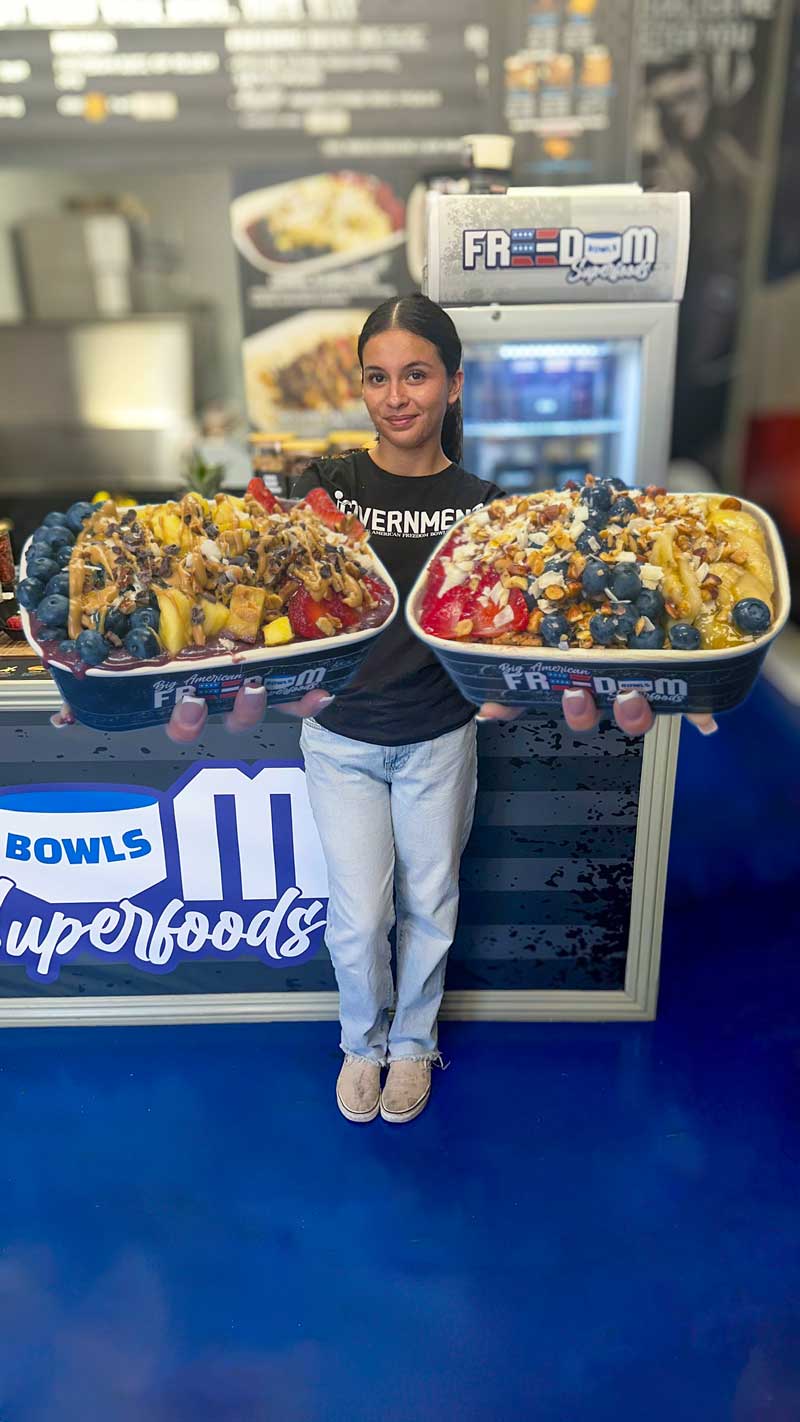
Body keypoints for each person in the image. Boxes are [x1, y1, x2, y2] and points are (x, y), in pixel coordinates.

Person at [55, 294, 716, 1123]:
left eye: (416, 375)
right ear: (361, 388)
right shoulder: (324, 488)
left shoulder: (485, 506)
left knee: (431, 906)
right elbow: (257, 605)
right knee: (358, 915)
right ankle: (359, 1043)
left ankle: (412, 1044)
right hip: (340, 738)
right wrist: (119, 663)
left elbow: (508, 635)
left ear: (454, 385)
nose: (396, 396)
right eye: (378, 378)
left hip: (441, 738)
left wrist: (655, 674)